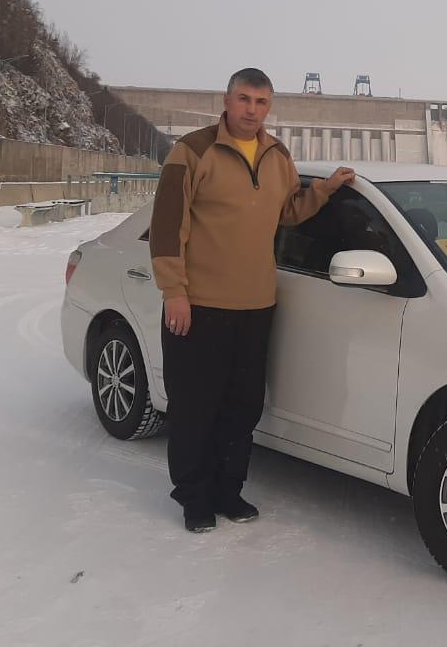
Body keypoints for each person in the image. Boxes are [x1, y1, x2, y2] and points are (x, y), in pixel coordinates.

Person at [149, 67, 355, 532]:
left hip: (256, 305)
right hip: (199, 304)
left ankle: (229, 491)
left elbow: (288, 211)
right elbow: (167, 226)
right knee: (195, 406)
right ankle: (194, 498)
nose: (251, 110)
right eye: (243, 99)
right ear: (226, 101)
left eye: (261, 102)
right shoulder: (192, 151)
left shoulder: (277, 156)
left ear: (269, 107)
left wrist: (325, 189)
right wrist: (174, 291)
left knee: (242, 407)